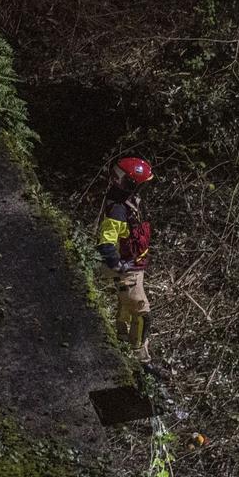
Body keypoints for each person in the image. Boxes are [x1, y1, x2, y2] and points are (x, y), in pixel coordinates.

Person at [96, 156, 156, 364]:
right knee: (141, 312)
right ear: (130, 185)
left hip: (134, 266)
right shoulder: (118, 210)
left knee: (125, 307)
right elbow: (106, 241)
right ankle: (140, 358)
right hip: (127, 269)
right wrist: (117, 265)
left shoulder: (128, 203)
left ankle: (121, 342)